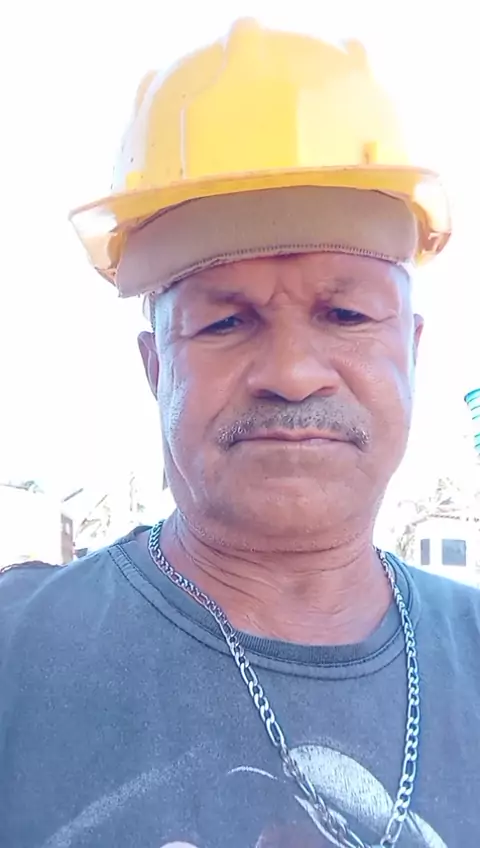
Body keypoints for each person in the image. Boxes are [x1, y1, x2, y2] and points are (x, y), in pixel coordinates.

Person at [1, 19, 478, 848]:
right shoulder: (16, 659)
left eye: (345, 314)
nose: (291, 371)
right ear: (156, 367)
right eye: (225, 321)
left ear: (411, 350)